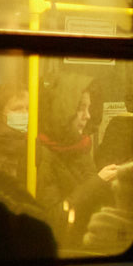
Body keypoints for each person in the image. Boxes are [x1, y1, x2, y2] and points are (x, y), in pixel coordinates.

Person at [35, 73, 117, 246]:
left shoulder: (80, 148)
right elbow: (53, 218)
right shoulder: (43, 155)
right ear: (63, 111)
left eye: (89, 108)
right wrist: (98, 182)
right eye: (81, 108)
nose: (87, 116)